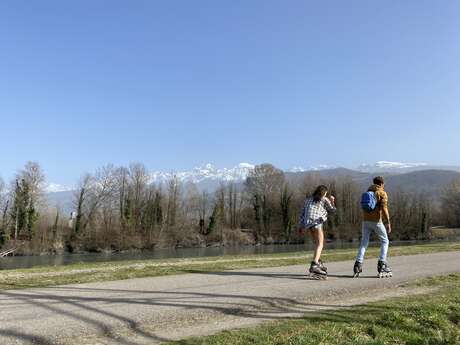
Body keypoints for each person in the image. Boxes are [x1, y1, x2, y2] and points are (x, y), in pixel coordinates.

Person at [353, 176, 392, 278]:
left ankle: (358, 264)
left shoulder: (367, 192)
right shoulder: (381, 193)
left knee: (364, 242)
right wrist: (388, 222)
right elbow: (384, 209)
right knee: (385, 241)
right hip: (376, 221)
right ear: (381, 184)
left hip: (365, 221)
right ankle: (382, 263)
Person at [299, 185, 336, 278]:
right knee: (320, 244)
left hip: (308, 224)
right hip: (317, 222)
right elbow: (333, 211)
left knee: (316, 244)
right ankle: (314, 265)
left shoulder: (307, 200)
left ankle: (318, 262)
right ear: (324, 193)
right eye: (325, 193)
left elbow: (302, 214)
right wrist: (332, 201)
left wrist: (301, 226)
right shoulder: (324, 199)